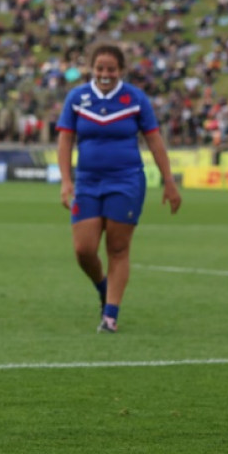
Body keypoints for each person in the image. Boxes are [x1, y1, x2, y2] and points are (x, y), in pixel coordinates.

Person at [56, 42, 182, 333]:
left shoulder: (135, 99)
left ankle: (110, 315)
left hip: (126, 181)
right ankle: (103, 286)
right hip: (87, 181)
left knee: (118, 248)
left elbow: (154, 140)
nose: (105, 73)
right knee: (84, 250)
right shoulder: (77, 97)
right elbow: (65, 141)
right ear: (91, 68)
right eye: (100, 68)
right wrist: (66, 180)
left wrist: (169, 181)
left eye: (111, 69)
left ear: (121, 70)